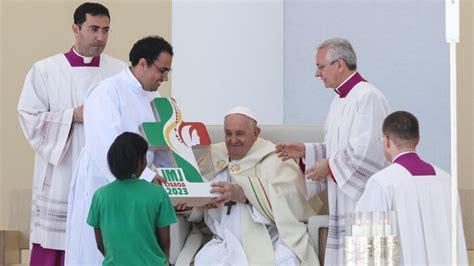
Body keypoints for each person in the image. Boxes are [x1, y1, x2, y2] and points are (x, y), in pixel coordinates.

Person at [17, 3, 126, 265]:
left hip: (104, 175)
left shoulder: (120, 73)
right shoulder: (45, 70)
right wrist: (72, 116)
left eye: (106, 30)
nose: (100, 37)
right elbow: (28, 117)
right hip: (62, 173)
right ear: (75, 29)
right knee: (57, 244)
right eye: (93, 29)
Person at [275, 37, 390, 264]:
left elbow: (369, 152)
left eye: (320, 66)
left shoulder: (368, 96)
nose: (316, 74)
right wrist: (307, 152)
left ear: (339, 64)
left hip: (364, 201)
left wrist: (328, 165)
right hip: (343, 200)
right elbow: (341, 149)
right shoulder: (338, 101)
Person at [65, 35, 173, 265]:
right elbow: (106, 146)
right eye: (162, 70)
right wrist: (146, 177)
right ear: (143, 63)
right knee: (103, 254)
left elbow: (162, 146)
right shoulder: (106, 91)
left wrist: (178, 181)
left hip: (143, 187)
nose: (164, 77)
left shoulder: (155, 97)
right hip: (107, 182)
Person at [184, 106, 321, 265]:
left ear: (256, 133)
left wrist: (244, 194)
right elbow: (198, 205)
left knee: (287, 261)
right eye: (228, 133)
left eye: (239, 133)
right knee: (205, 261)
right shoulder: (214, 157)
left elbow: (292, 201)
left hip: (271, 239)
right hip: (224, 241)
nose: (233, 140)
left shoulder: (275, 157)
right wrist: (188, 207)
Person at [355, 111, 468, 265]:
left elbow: (368, 244)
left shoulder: (382, 183)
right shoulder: (446, 180)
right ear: (418, 140)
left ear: (387, 141)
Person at [87, 132, 176, 265]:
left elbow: (100, 244)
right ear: (140, 161)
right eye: (145, 157)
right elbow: (165, 241)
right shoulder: (158, 193)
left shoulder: (100, 196)